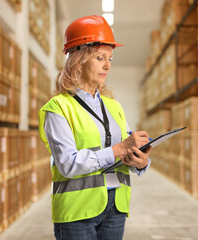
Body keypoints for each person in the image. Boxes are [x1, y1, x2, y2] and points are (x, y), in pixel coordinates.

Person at [38, 15, 152, 240]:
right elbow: (68, 164)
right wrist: (118, 149)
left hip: (116, 207)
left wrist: (141, 161)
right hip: (77, 212)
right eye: (100, 58)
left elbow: (125, 149)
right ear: (78, 59)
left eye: (110, 58)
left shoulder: (114, 106)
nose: (107, 65)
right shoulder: (58, 108)